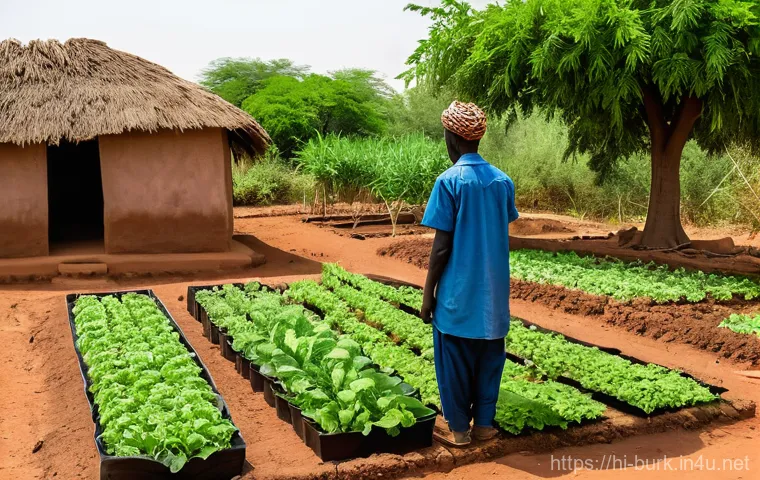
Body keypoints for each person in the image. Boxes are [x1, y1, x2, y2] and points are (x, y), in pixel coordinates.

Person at [420, 101, 519, 446]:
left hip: (456, 297)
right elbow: (498, 229)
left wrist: (428, 294)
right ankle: (484, 427)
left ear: (451, 137)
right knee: (490, 362)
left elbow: (442, 248)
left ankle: (460, 431)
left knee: (455, 364)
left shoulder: (449, 182)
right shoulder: (502, 182)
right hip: (492, 297)